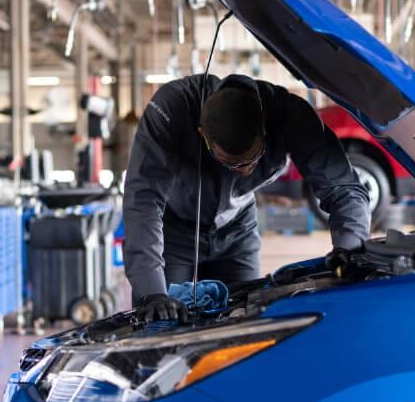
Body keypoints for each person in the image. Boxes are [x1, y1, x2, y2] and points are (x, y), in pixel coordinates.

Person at [123, 74, 370, 321]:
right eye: (232, 163)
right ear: (202, 135)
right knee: (162, 326)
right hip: (173, 232)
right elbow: (143, 198)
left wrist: (349, 251)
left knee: (245, 325)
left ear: (265, 125)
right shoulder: (171, 108)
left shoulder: (289, 115)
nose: (243, 170)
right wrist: (151, 291)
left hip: (237, 233)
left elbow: (344, 188)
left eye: (252, 158)